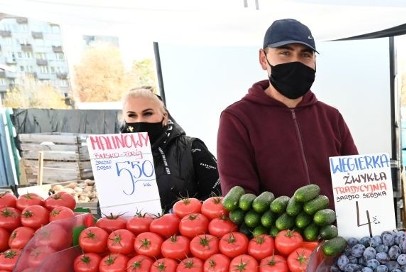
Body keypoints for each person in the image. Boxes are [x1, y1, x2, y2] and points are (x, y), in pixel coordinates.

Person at [217, 18, 358, 207]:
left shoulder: (332, 117)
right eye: (285, 53)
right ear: (263, 59)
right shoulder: (237, 119)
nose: (296, 62)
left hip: (336, 235)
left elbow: (357, 183)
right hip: (277, 236)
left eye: (305, 55)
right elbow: (241, 201)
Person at [120, 87, 221, 212]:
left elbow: (217, 198)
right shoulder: (113, 156)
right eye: (132, 115)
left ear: (164, 116)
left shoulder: (193, 148)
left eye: (148, 113)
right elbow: (105, 208)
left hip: (187, 229)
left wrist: (180, 214)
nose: (139, 121)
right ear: (124, 120)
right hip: (130, 231)